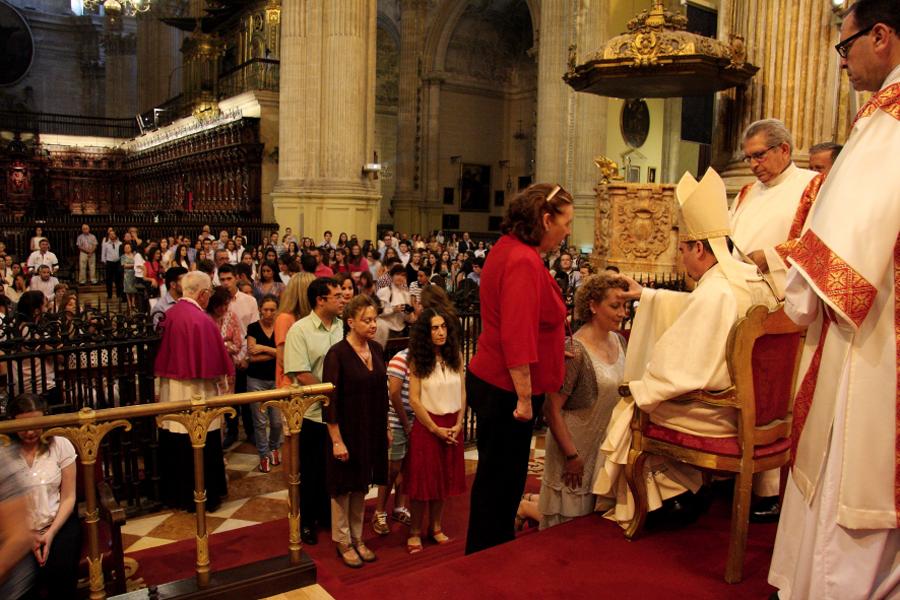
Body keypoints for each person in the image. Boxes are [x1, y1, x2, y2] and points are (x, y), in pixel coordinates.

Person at [769, 3, 900, 598]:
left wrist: (793, 280)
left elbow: (838, 260)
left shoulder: (889, 120)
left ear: (881, 36)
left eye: (844, 48)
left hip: (874, 341)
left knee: (851, 489)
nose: (842, 61)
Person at [593, 168, 779, 529]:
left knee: (634, 404)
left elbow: (682, 365)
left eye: (682, 249)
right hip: (761, 409)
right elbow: (701, 310)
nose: (680, 258)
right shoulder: (751, 281)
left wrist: (645, 386)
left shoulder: (716, 291)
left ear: (698, 248)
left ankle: (657, 502)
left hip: (723, 417)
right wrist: (648, 295)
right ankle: (684, 492)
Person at [465, 183, 573, 555]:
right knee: (503, 481)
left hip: (495, 380)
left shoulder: (511, 248)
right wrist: (525, 399)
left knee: (497, 477)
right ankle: (489, 556)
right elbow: (517, 335)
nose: (568, 230)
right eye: (566, 222)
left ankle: (486, 551)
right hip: (506, 390)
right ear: (545, 219)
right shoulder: (524, 260)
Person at [519, 274, 628, 530]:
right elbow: (551, 409)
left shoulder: (620, 341)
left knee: (592, 518)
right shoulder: (575, 350)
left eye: (625, 306)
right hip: (574, 446)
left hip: (603, 446)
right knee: (567, 522)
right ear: (592, 306)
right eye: (615, 306)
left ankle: (529, 504)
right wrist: (572, 456)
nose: (622, 313)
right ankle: (526, 507)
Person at [154, 271, 232, 513]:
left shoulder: (168, 315)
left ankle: (177, 495)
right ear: (204, 294)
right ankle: (205, 495)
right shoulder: (202, 320)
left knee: (175, 439)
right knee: (201, 440)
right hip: (198, 392)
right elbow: (216, 365)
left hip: (171, 391)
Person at [320, 294, 388, 568]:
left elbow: (381, 393)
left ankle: (358, 537)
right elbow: (330, 402)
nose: (372, 325)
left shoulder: (377, 349)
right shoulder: (336, 354)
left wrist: (384, 427)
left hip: (369, 428)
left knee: (361, 485)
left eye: (374, 319)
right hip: (345, 430)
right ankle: (343, 540)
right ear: (350, 322)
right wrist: (336, 440)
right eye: (366, 320)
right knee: (342, 489)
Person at [283, 277, 346, 546]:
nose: (343, 299)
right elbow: (301, 372)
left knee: (334, 469)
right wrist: (331, 390)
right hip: (313, 412)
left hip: (342, 411)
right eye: (337, 296)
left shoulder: (345, 327)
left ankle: (327, 514)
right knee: (311, 469)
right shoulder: (300, 330)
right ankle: (306, 520)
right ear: (321, 300)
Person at [729, 119, 817, 298]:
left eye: (759, 155)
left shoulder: (813, 185)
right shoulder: (747, 192)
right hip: (737, 288)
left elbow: (820, 242)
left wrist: (769, 257)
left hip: (782, 298)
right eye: (749, 158)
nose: (753, 165)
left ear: (784, 150)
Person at [404, 308, 466, 553]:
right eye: (435, 328)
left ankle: (437, 527)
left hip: (453, 424)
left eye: (443, 327)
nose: (441, 332)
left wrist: (460, 423)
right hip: (428, 426)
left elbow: (462, 392)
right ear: (425, 332)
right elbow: (415, 400)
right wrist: (434, 428)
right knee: (423, 483)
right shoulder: (419, 360)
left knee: (445, 479)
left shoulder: (455, 356)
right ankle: (415, 531)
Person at [7, 393, 79, 599]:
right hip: (18, 530)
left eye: (35, 424)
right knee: (24, 580)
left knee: (61, 572)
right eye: (22, 425)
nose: (30, 431)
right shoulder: (4, 452)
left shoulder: (60, 444)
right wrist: (27, 536)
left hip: (58, 523)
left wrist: (50, 532)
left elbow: (68, 497)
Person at [246, 295, 282, 473]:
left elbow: (285, 353)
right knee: (260, 422)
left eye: (272, 310)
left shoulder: (281, 328)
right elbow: (252, 356)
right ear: (260, 309)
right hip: (256, 379)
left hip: (276, 378)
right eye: (265, 309)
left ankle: (274, 447)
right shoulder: (253, 327)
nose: (268, 313)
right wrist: (275, 353)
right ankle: (264, 455)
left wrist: (265, 348)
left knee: (276, 422)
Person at [375, 264, 416, 349]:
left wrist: (408, 313)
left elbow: (409, 319)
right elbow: (377, 312)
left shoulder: (406, 295)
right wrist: (393, 310)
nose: (400, 277)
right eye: (397, 274)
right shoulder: (383, 292)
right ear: (392, 276)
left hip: (402, 331)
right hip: (387, 330)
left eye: (403, 275)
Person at [101, 229, 123, 301]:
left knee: (118, 279)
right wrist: (104, 261)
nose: (112, 235)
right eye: (110, 234)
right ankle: (109, 295)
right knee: (109, 280)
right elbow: (103, 253)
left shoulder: (120, 243)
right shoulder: (106, 244)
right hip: (109, 262)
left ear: (116, 235)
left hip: (117, 262)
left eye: (113, 234)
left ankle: (119, 294)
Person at [120, 242, 138, 313]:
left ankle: (133, 303)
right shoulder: (123, 256)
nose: (127, 249)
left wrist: (132, 265)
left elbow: (137, 263)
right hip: (127, 274)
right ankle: (129, 303)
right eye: (126, 248)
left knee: (134, 289)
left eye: (128, 247)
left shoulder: (134, 255)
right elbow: (124, 266)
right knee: (128, 290)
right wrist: (133, 265)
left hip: (134, 273)